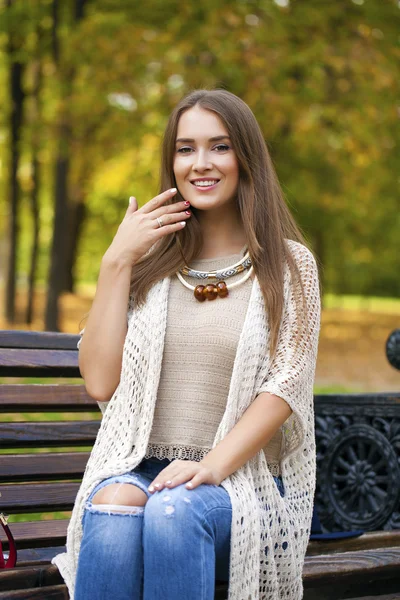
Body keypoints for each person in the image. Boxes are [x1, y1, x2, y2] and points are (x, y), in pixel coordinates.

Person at [52, 89, 321, 600]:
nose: (201, 163)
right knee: (111, 507)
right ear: (171, 162)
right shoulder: (148, 268)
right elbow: (99, 380)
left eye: (219, 147)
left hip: (245, 480)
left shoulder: (289, 267)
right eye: (185, 148)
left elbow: (285, 384)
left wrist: (211, 465)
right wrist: (116, 262)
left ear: (246, 158)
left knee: (172, 512)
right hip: (143, 469)